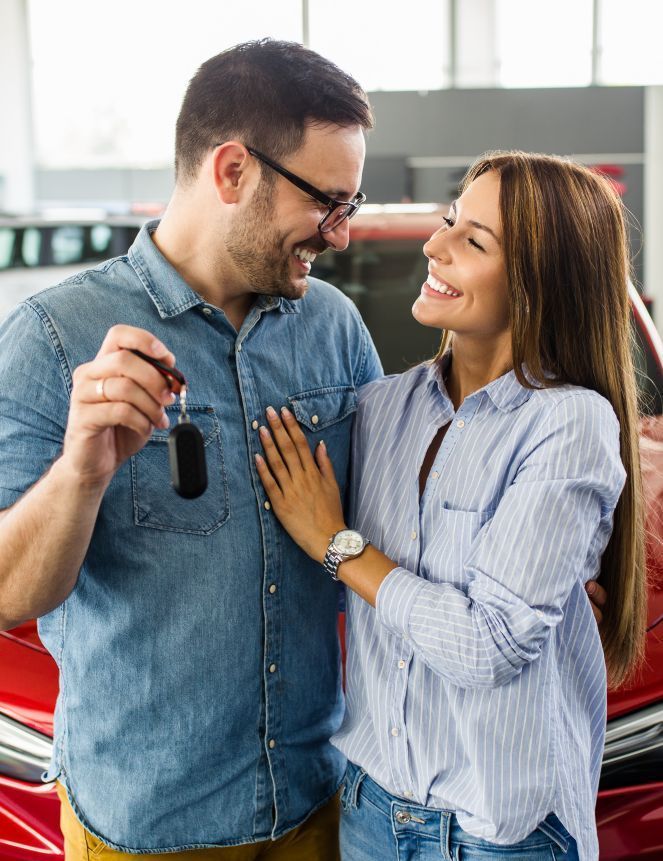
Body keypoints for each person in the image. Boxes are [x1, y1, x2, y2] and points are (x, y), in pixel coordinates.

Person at [0, 39, 380, 859]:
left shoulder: (335, 329)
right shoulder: (52, 339)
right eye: (327, 202)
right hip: (148, 827)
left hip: (319, 802)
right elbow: (6, 594)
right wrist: (81, 472)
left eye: (351, 204)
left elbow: (395, 522)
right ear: (233, 171)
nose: (342, 235)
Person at [254, 151, 645, 861]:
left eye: (474, 241)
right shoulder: (381, 408)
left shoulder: (568, 423)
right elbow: (323, 584)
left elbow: (487, 645)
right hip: (371, 811)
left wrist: (337, 544)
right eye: (449, 222)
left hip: (498, 834)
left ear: (539, 282)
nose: (436, 246)